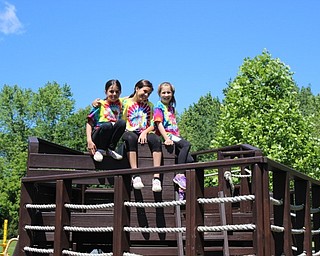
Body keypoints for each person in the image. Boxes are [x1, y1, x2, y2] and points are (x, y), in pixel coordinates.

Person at [153, 82, 194, 200]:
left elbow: (174, 124)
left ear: (172, 93)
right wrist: (166, 138)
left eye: (168, 92)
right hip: (168, 135)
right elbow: (158, 124)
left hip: (175, 135)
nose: (166, 95)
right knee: (187, 144)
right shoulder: (158, 107)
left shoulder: (171, 108)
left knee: (190, 160)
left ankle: (182, 190)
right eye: (163, 92)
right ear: (159, 94)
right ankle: (179, 175)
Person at [121, 79, 163, 192]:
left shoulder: (150, 105)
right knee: (131, 138)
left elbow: (153, 123)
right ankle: (135, 174)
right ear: (137, 89)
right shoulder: (126, 102)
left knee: (156, 140)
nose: (146, 95)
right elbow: (110, 101)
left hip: (145, 131)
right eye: (144, 91)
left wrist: (145, 132)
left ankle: (156, 177)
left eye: (148, 93)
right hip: (129, 130)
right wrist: (97, 102)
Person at [86, 79, 126, 162]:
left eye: (117, 92)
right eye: (111, 91)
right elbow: (89, 122)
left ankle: (110, 149)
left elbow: (132, 97)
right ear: (106, 92)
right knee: (107, 125)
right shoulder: (100, 104)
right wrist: (89, 140)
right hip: (98, 136)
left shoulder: (120, 104)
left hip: (108, 138)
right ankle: (99, 150)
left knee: (122, 123)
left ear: (120, 92)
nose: (114, 94)